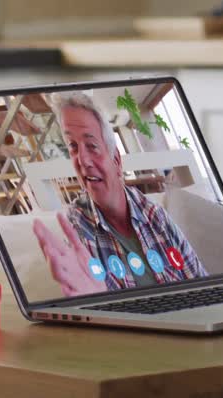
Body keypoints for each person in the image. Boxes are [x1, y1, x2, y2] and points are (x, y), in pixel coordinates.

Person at [32, 90, 205, 297]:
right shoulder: (79, 227)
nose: (82, 160)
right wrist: (96, 298)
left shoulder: (156, 217)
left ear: (116, 160)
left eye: (92, 146)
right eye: (73, 147)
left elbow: (201, 285)